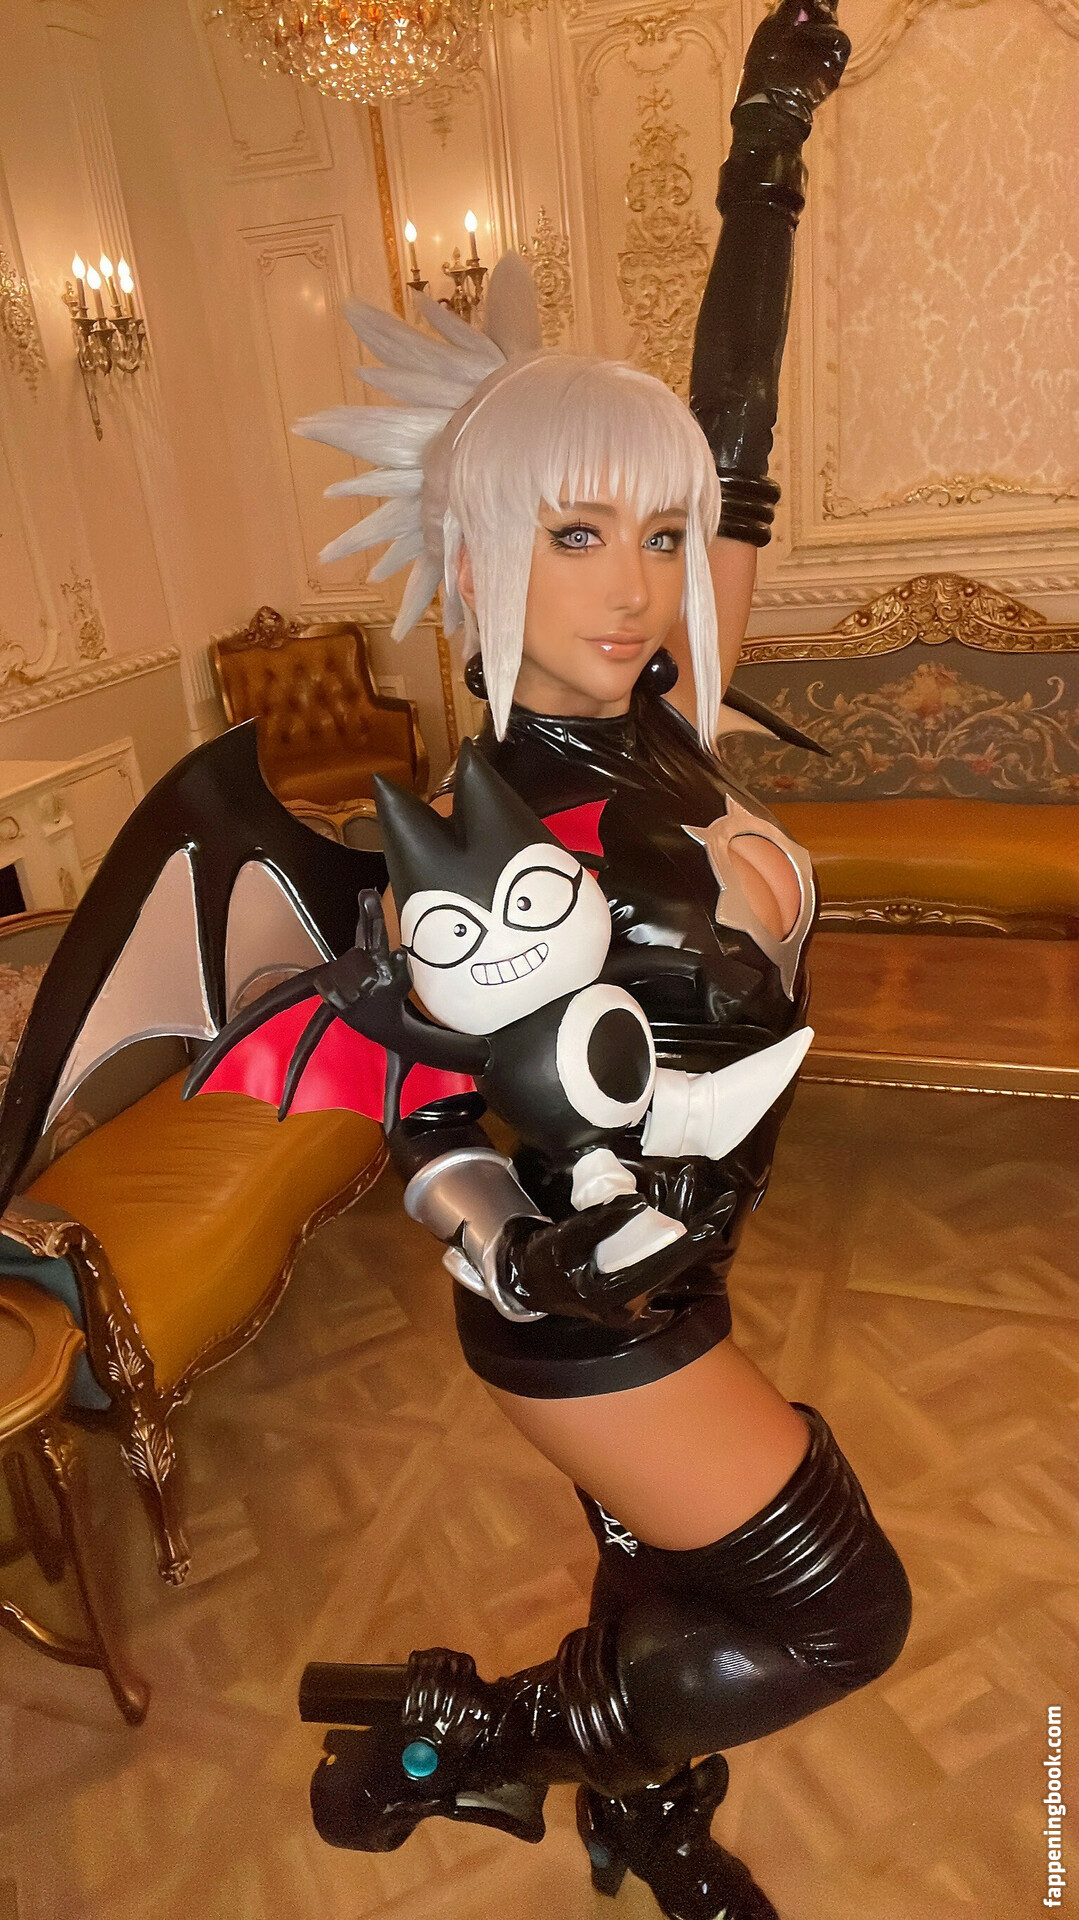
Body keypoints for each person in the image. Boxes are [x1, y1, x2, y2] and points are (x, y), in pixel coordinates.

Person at [295, 6, 911, 1916]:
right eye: (577, 534)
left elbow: (738, 427)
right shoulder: (474, 833)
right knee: (838, 1611)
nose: (639, 587)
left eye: (658, 532)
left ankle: (647, 1820)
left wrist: (766, 149)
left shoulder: (661, 730)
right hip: (586, 1312)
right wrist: (518, 1251)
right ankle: (457, 1746)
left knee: (663, 1572)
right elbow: (416, 1119)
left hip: (687, 1256)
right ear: (482, 557)